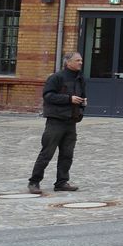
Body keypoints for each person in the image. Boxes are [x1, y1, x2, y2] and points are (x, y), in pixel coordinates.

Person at [29, 52, 87, 194]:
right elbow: (48, 96)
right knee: (47, 153)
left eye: (81, 60)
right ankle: (34, 182)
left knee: (67, 154)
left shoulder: (80, 78)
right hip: (55, 121)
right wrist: (69, 99)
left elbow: (82, 96)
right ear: (68, 62)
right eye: (77, 60)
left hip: (71, 121)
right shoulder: (56, 77)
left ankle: (61, 182)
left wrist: (83, 103)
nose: (80, 63)